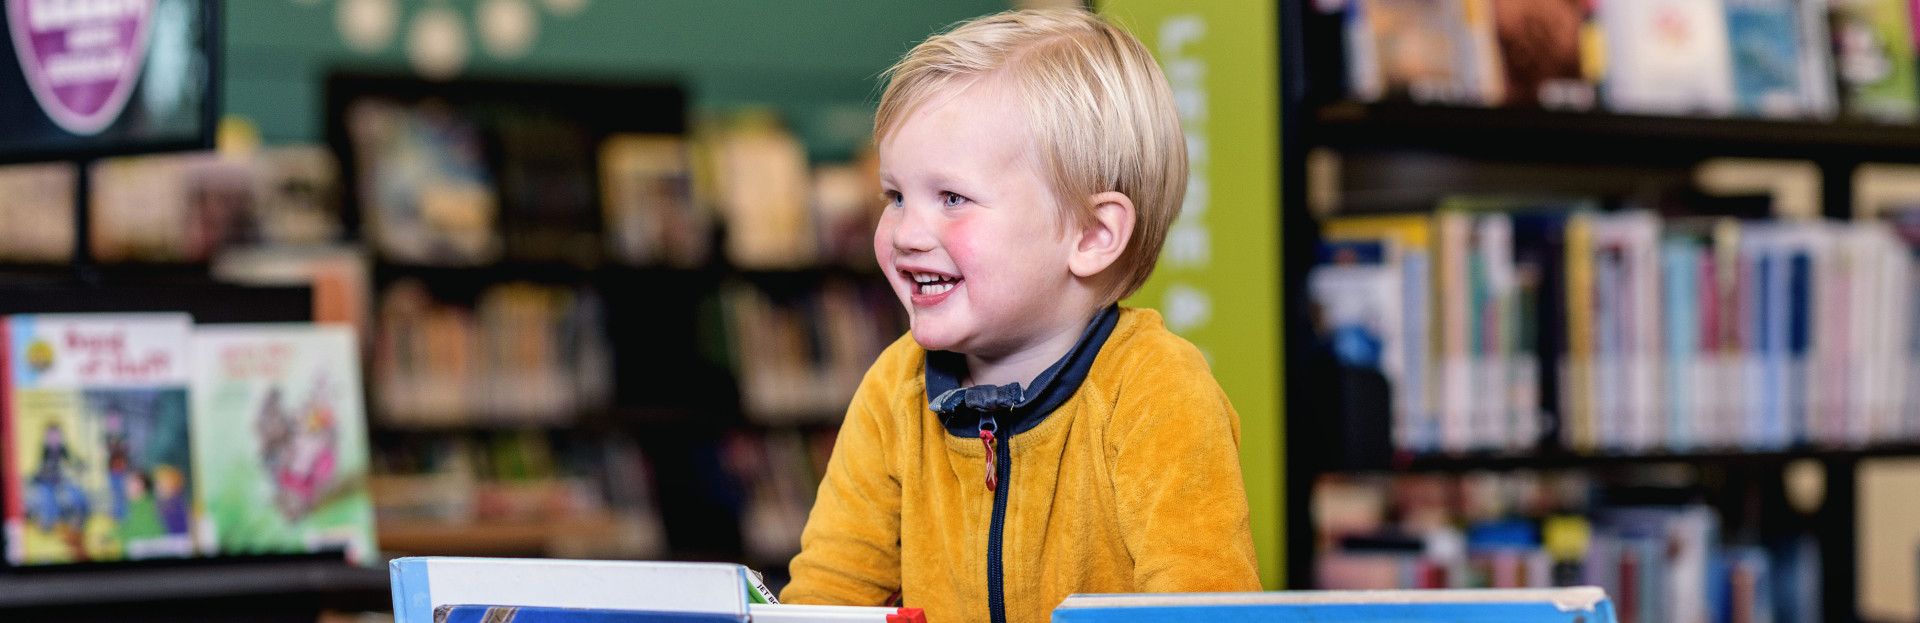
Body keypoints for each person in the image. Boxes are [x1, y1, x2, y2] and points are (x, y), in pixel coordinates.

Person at [780, 9, 1260, 622]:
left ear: (1091, 234)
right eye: (896, 196)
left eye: (952, 198)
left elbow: (1203, 610)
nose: (906, 232)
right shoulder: (893, 391)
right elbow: (826, 598)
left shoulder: (1157, 391)